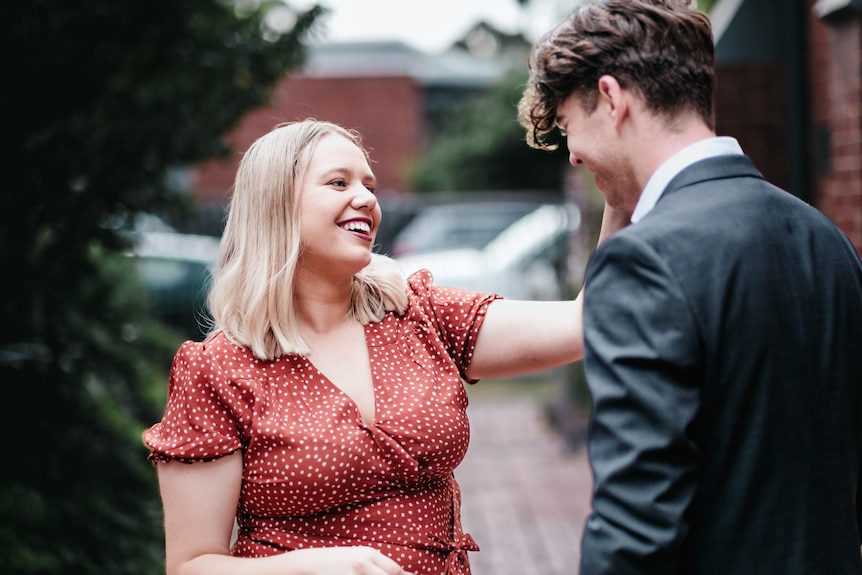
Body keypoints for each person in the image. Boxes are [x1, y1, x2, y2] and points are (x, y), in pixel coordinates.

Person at [142, 119, 625, 575]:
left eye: (369, 186)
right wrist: (310, 566)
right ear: (276, 204)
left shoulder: (420, 315)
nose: (366, 199)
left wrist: (621, 186)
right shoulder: (219, 369)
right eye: (339, 183)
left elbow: (587, 321)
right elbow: (192, 564)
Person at [517, 1, 862, 574]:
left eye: (568, 126)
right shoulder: (826, 238)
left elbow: (634, 524)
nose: (573, 153)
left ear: (611, 97)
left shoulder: (643, 262)